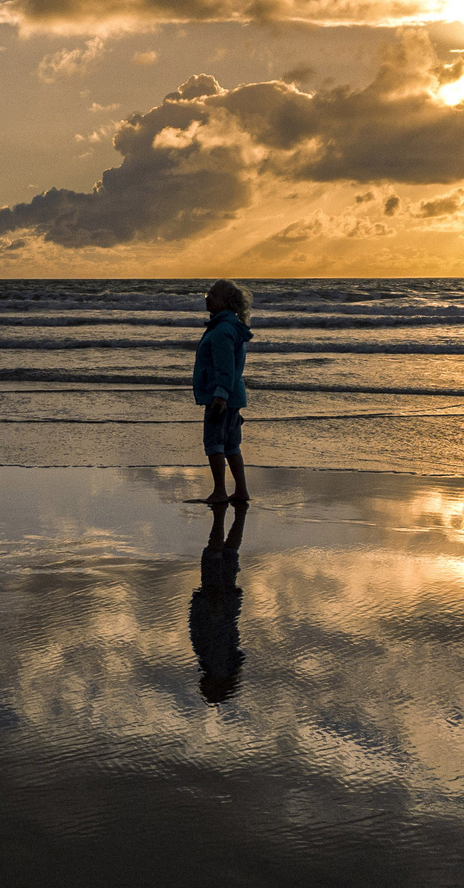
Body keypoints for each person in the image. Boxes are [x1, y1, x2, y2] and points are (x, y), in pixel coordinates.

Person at [193, 278, 253, 505]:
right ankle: (241, 490)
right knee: (231, 444)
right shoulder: (229, 327)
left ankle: (220, 490)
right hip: (232, 395)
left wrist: (220, 397)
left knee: (214, 443)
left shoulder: (222, 331)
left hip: (221, 396)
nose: (207, 298)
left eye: (213, 295)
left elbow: (225, 367)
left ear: (226, 302)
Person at [189, 501, 246, 703]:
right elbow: (217, 636)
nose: (202, 687)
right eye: (207, 691)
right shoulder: (218, 666)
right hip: (216, 607)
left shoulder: (222, 667)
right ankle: (221, 514)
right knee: (215, 556)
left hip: (223, 606)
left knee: (228, 554)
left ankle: (239, 513)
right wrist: (213, 609)